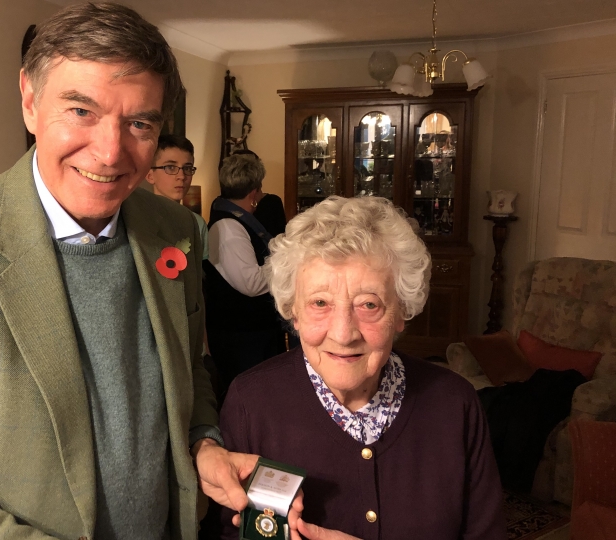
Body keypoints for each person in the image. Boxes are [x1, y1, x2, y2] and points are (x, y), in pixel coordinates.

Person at [0, 4, 257, 539]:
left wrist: (203, 441)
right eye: (81, 111)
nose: (111, 152)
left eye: (139, 123)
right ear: (29, 100)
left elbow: (191, 371)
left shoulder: (175, 227)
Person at [203, 196, 505, 539]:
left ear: (401, 311)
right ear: (293, 311)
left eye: (368, 304)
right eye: (320, 303)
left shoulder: (455, 404)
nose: (344, 334)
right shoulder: (251, 403)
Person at [204, 154, 286, 397]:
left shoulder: (234, 219)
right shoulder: (228, 227)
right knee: (251, 397)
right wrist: (286, 262)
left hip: (250, 333)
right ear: (254, 192)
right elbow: (251, 284)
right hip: (241, 336)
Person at [146, 134, 209, 260]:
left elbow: (201, 272)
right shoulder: (140, 219)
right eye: (170, 167)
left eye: (187, 168)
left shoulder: (197, 223)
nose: (181, 176)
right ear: (150, 174)